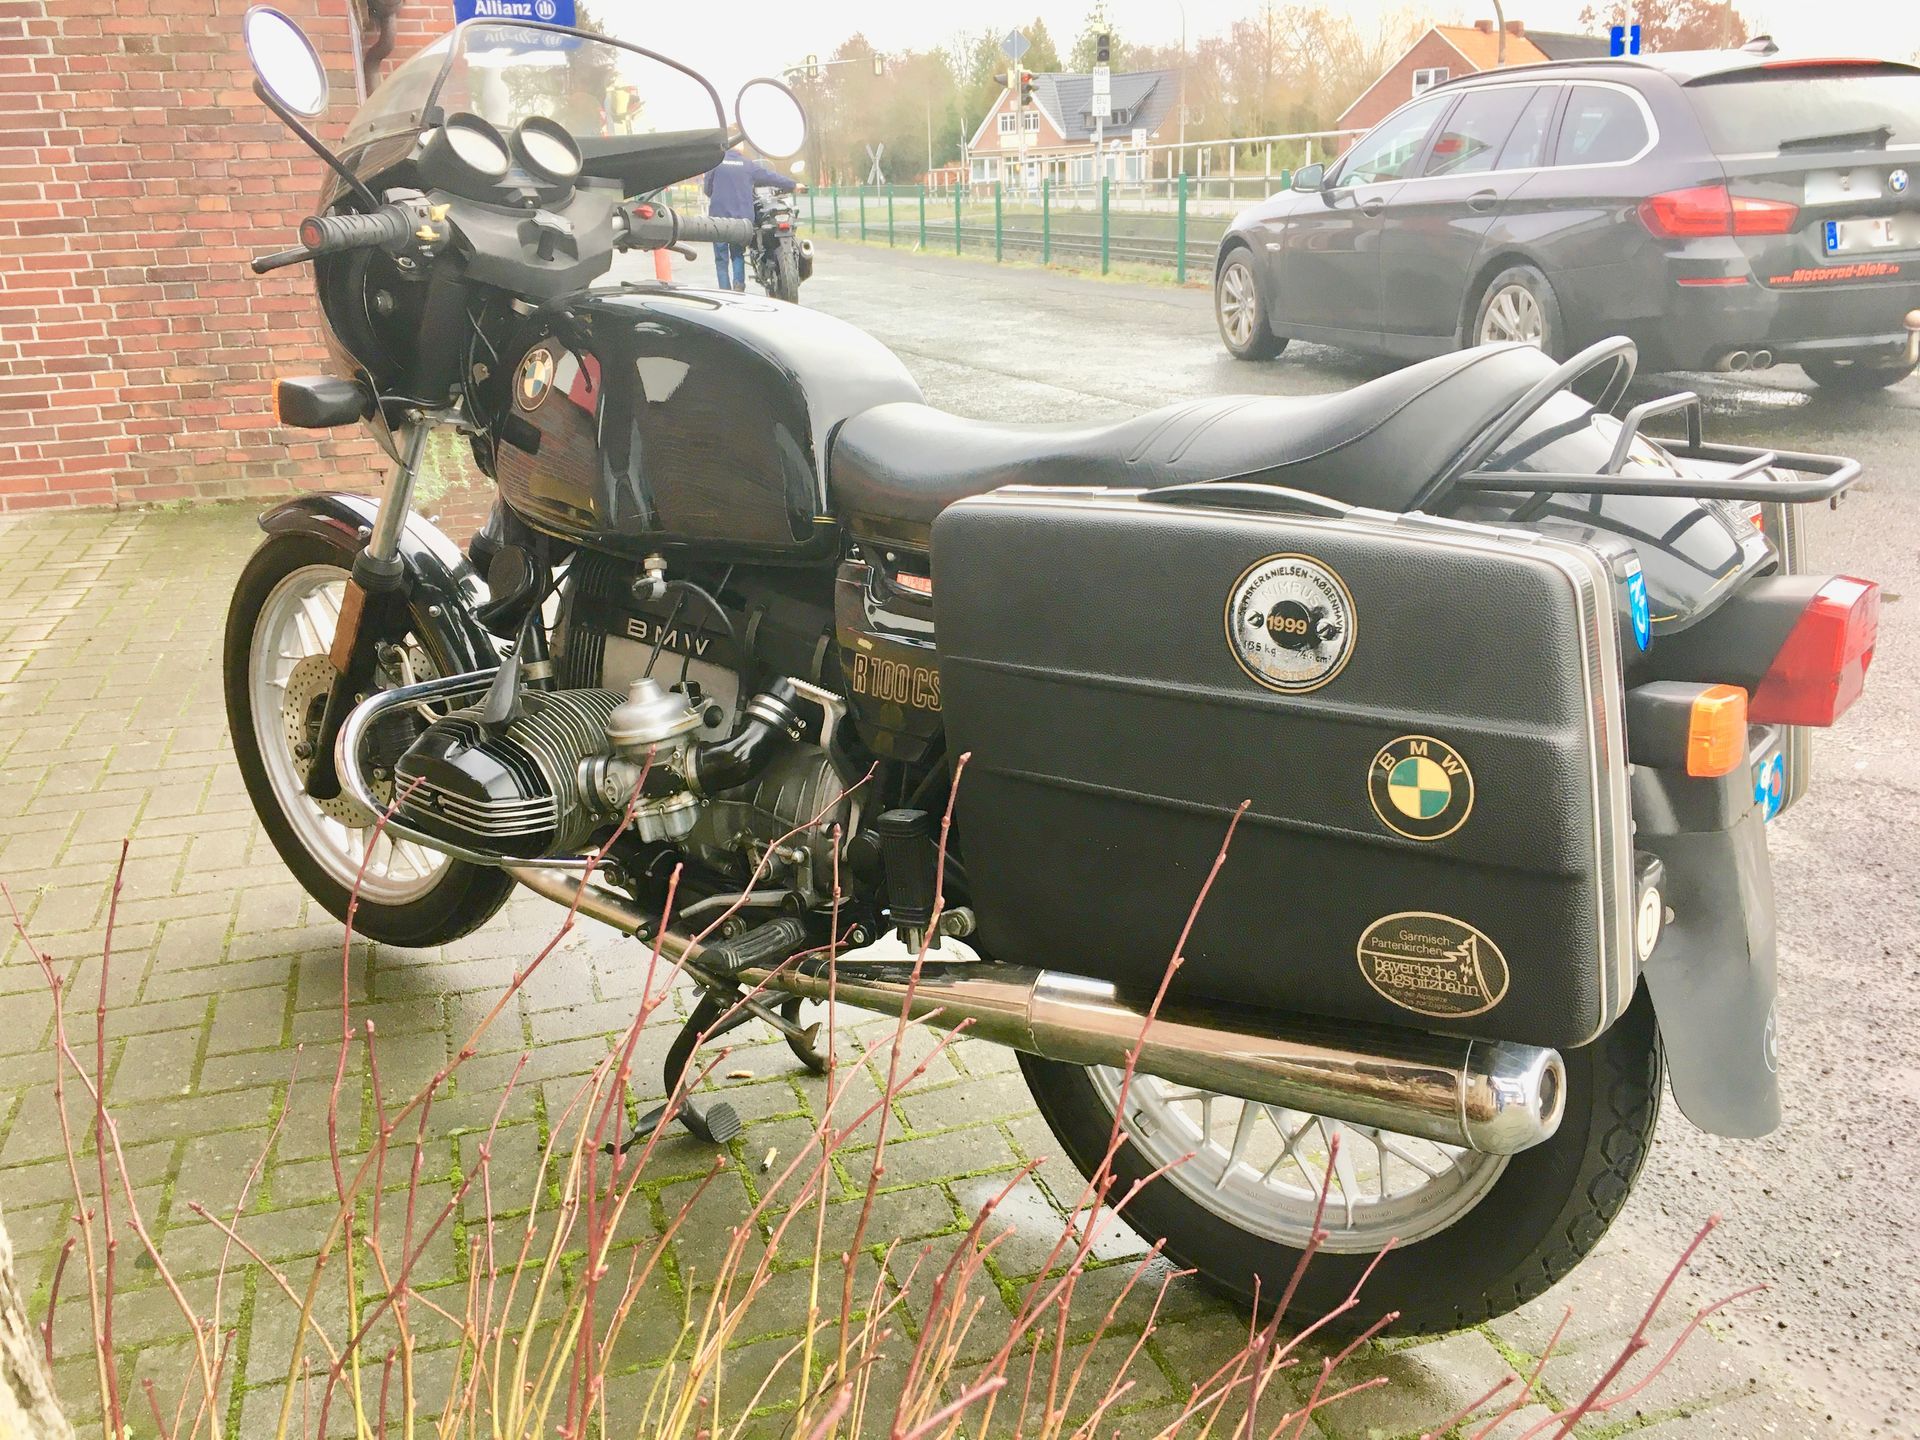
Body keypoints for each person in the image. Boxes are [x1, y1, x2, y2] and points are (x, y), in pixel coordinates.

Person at [701, 147, 797, 291]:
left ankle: (724, 291)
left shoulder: (715, 164)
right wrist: (793, 184)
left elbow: (707, 189)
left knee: (721, 259)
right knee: (737, 255)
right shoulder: (748, 165)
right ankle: (739, 288)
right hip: (741, 220)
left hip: (718, 219)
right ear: (741, 151)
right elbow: (771, 176)